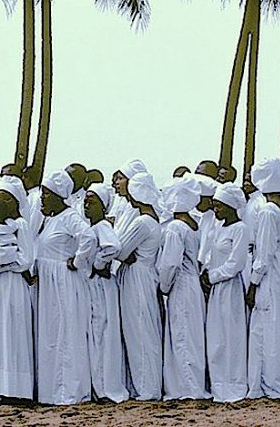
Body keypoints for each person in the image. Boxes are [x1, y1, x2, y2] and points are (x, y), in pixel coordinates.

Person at [35, 170, 96, 405]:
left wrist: (77, 260)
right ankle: (51, 391)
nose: (42, 197)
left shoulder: (70, 217)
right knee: (52, 335)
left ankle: (68, 391)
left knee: (66, 334)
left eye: (47, 193)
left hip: (63, 283)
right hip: (49, 284)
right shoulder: (50, 219)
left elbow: (89, 237)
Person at [245, 158, 280, 399]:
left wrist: (253, 282)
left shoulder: (268, 211)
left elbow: (264, 252)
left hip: (271, 271)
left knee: (268, 325)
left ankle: (271, 382)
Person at [0, 180, 36, 401]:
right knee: (0, 331)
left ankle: (18, 389)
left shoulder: (21, 225)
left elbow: (26, 259)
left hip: (14, 283)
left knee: (14, 331)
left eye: (7, 198)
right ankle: (0, 387)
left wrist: (1, 264)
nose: (2, 202)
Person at [157, 176, 209, 400]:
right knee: (193, 335)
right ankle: (192, 384)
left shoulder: (175, 228)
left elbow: (170, 262)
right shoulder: (195, 225)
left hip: (181, 284)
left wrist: (164, 286)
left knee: (183, 335)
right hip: (193, 284)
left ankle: (188, 388)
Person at [200, 183, 249, 403]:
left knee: (231, 336)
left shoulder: (240, 229)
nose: (215, 209)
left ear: (230, 206)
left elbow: (236, 263)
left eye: (219, 205)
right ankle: (218, 384)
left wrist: (212, 276)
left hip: (230, 289)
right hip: (216, 288)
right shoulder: (219, 228)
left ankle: (234, 385)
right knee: (217, 337)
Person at [117, 171, 163, 401]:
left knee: (139, 330)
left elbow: (120, 250)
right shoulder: (154, 219)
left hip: (136, 278)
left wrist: (124, 255)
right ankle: (145, 385)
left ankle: (147, 388)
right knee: (144, 329)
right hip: (145, 276)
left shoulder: (141, 222)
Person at [83, 183, 128, 403]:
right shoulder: (91, 227)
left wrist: (98, 264)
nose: (86, 206)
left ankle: (104, 388)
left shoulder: (102, 226)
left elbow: (113, 247)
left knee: (100, 332)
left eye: (92, 202)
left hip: (100, 286)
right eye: (85, 201)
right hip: (95, 285)